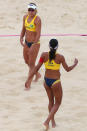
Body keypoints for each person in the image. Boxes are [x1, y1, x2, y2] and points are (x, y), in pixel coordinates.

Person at [25, 39, 78, 130]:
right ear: (57, 47)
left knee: (51, 102)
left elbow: (36, 68)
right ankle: (47, 121)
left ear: (49, 46)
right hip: (55, 82)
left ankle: (52, 122)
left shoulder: (44, 55)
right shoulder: (60, 57)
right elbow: (68, 69)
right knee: (57, 103)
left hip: (46, 81)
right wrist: (75, 64)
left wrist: (28, 79)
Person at [20, 3, 41, 87]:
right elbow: (23, 29)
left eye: (32, 10)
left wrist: (34, 45)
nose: (31, 11)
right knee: (26, 61)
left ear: (35, 10)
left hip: (35, 43)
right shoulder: (25, 17)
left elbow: (38, 34)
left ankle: (28, 82)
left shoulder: (37, 20)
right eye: (29, 9)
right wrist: (21, 38)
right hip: (26, 42)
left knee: (32, 64)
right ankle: (37, 74)